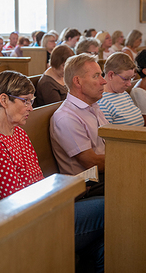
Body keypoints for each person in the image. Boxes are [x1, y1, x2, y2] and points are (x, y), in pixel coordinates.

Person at [0, 71, 104, 272]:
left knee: (104, 245)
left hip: (44, 209)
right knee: (109, 208)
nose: (31, 108)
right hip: (26, 224)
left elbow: (37, 178)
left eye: (31, 101)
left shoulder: (19, 132)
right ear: (4, 100)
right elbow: (14, 200)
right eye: (25, 101)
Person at [50, 54, 108, 196]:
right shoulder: (66, 117)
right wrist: (128, 157)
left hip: (104, 176)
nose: (103, 81)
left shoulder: (92, 106)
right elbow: (92, 163)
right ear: (78, 81)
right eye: (96, 76)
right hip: (87, 187)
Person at [97, 53, 144, 126]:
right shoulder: (102, 102)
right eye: (126, 79)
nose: (129, 84)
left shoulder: (123, 93)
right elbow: (107, 135)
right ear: (111, 75)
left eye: (131, 78)